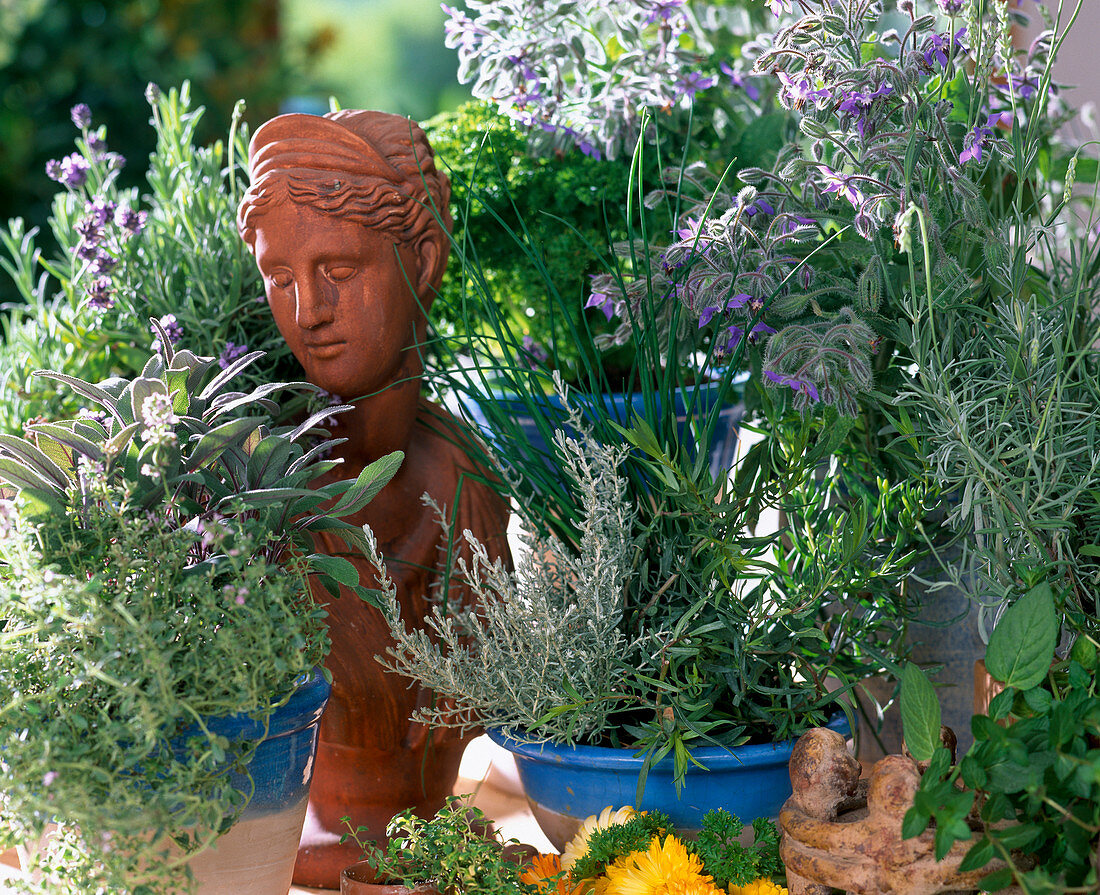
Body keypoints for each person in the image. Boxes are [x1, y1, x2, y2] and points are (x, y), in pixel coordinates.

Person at [238, 110, 510, 889]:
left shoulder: (470, 478)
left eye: (340, 269)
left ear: (422, 259)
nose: (309, 309)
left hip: (442, 842)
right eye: (279, 277)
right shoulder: (264, 498)